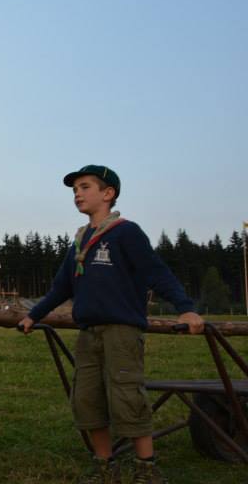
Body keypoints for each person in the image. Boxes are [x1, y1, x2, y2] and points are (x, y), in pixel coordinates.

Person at [19, 165, 204, 484]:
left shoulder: (126, 232)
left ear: (108, 194)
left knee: (126, 395)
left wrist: (185, 309)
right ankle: (105, 467)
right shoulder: (79, 242)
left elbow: (156, 272)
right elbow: (61, 287)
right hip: (88, 333)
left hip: (122, 331)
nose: (77, 193)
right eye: (74, 189)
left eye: (85, 186)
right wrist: (34, 315)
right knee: (87, 398)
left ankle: (147, 468)